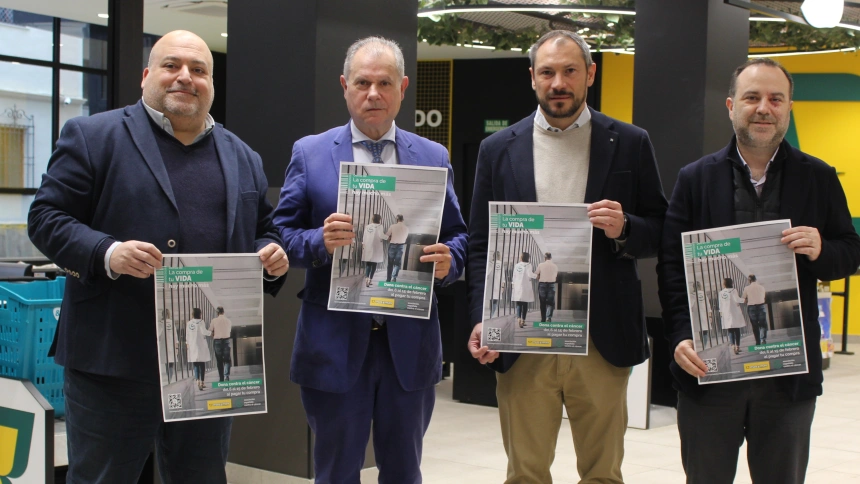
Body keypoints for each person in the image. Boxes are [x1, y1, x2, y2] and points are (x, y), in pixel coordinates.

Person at [27, 30, 288, 483]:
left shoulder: (243, 156)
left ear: (211, 84)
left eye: (199, 70)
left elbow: (263, 230)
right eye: (172, 65)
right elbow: (46, 217)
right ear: (147, 75)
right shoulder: (93, 136)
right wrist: (107, 252)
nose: (185, 76)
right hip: (113, 361)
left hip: (206, 367)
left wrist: (270, 256)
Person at [466, 30, 667, 484]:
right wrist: (481, 317)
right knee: (525, 473)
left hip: (601, 338)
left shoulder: (630, 142)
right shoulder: (497, 149)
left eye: (570, 71)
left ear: (590, 74)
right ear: (532, 78)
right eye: (548, 72)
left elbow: (660, 229)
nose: (558, 82)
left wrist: (625, 227)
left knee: (602, 474)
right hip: (521, 338)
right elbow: (481, 243)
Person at [272, 36, 467, 483]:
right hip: (335, 344)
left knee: (404, 472)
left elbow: (458, 235)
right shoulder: (311, 153)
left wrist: (449, 261)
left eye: (384, 83)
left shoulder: (432, 156)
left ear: (402, 87)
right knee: (336, 472)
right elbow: (281, 235)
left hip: (408, 346)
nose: (373, 93)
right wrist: (320, 241)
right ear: (345, 86)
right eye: (362, 83)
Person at [658, 57, 860, 484]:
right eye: (752, 97)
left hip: (788, 379)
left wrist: (822, 249)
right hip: (710, 373)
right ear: (731, 105)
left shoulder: (818, 177)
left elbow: (850, 252)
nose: (764, 108)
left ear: (788, 108)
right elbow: (673, 267)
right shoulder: (695, 179)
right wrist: (679, 336)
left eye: (776, 99)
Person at [718, 278, 746, 355]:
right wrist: (744, 300)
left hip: (726, 313)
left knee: (730, 330)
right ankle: (737, 346)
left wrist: (721, 315)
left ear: (724, 284)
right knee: (737, 330)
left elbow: (720, 305)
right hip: (734, 312)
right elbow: (737, 299)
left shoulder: (721, 293)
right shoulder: (733, 290)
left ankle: (732, 345)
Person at [186, 308, 211, 390]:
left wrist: (187, 344)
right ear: (199, 314)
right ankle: (202, 382)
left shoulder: (189, 323)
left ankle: (197, 380)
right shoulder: (201, 321)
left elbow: (187, 335)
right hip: (201, 345)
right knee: (202, 364)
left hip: (192, 345)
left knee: (195, 364)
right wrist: (211, 333)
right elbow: (204, 332)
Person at [510, 252, 537, 329]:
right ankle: (523, 320)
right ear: (527, 258)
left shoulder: (517, 265)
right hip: (526, 286)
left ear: (521, 257)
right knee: (525, 304)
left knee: (519, 303)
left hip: (517, 286)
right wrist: (536, 276)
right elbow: (530, 274)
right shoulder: (528, 265)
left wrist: (513, 285)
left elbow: (514, 276)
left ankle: (518, 318)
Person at [361, 213, 387, 287]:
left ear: (372, 219)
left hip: (368, 246)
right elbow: (381, 235)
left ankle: (367, 279)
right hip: (376, 247)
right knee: (374, 264)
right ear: (379, 219)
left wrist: (363, 245)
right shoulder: (380, 226)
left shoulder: (368, 226)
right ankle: (370, 279)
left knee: (368, 264)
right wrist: (388, 237)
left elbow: (364, 237)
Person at [742, 274, 768, 344]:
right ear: (755, 280)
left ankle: (758, 341)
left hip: (751, 307)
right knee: (763, 324)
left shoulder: (746, 288)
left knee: (754, 325)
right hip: (761, 306)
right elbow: (763, 297)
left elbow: (744, 299)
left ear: (749, 280)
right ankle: (763, 339)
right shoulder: (761, 287)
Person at [210, 306, 233, 382]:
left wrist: (214, 334)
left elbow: (210, 331)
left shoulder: (214, 320)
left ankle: (221, 378)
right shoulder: (228, 321)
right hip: (226, 341)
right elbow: (229, 331)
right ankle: (226, 376)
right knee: (227, 360)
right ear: (223, 312)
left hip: (217, 341)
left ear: (217, 313)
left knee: (219, 360)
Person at [535, 252, 559, 322]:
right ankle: (548, 317)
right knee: (550, 302)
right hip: (551, 285)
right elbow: (555, 275)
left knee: (542, 302)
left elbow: (536, 274)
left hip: (542, 285)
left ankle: (543, 318)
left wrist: (540, 276)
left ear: (545, 258)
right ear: (551, 258)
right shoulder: (555, 266)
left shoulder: (541, 265)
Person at [157, 308, 179, 382]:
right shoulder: (172, 323)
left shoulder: (160, 323)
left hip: (164, 345)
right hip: (172, 345)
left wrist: (160, 338)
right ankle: (170, 378)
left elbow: (158, 334)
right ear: (169, 314)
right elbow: (175, 335)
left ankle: (169, 377)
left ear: (162, 315)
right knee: (171, 363)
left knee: (167, 363)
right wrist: (176, 347)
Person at [385, 214, 409, 282]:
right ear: (403, 220)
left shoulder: (393, 226)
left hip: (392, 245)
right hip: (401, 246)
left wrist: (390, 238)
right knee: (397, 263)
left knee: (390, 263)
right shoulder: (406, 228)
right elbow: (405, 238)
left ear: (397, 219)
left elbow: (387, 235)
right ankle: (394, 277)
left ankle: (388, 279)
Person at [486, 251, 505, 319]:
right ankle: (492, 314)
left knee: (491, 299)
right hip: (498, 283)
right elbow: (503, 275)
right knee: (495, 300)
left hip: (491, 283)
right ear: (499, 256)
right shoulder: (501, 264)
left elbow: (487, 273)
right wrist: (503, 285)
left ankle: (491, 314)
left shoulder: (490, 263)